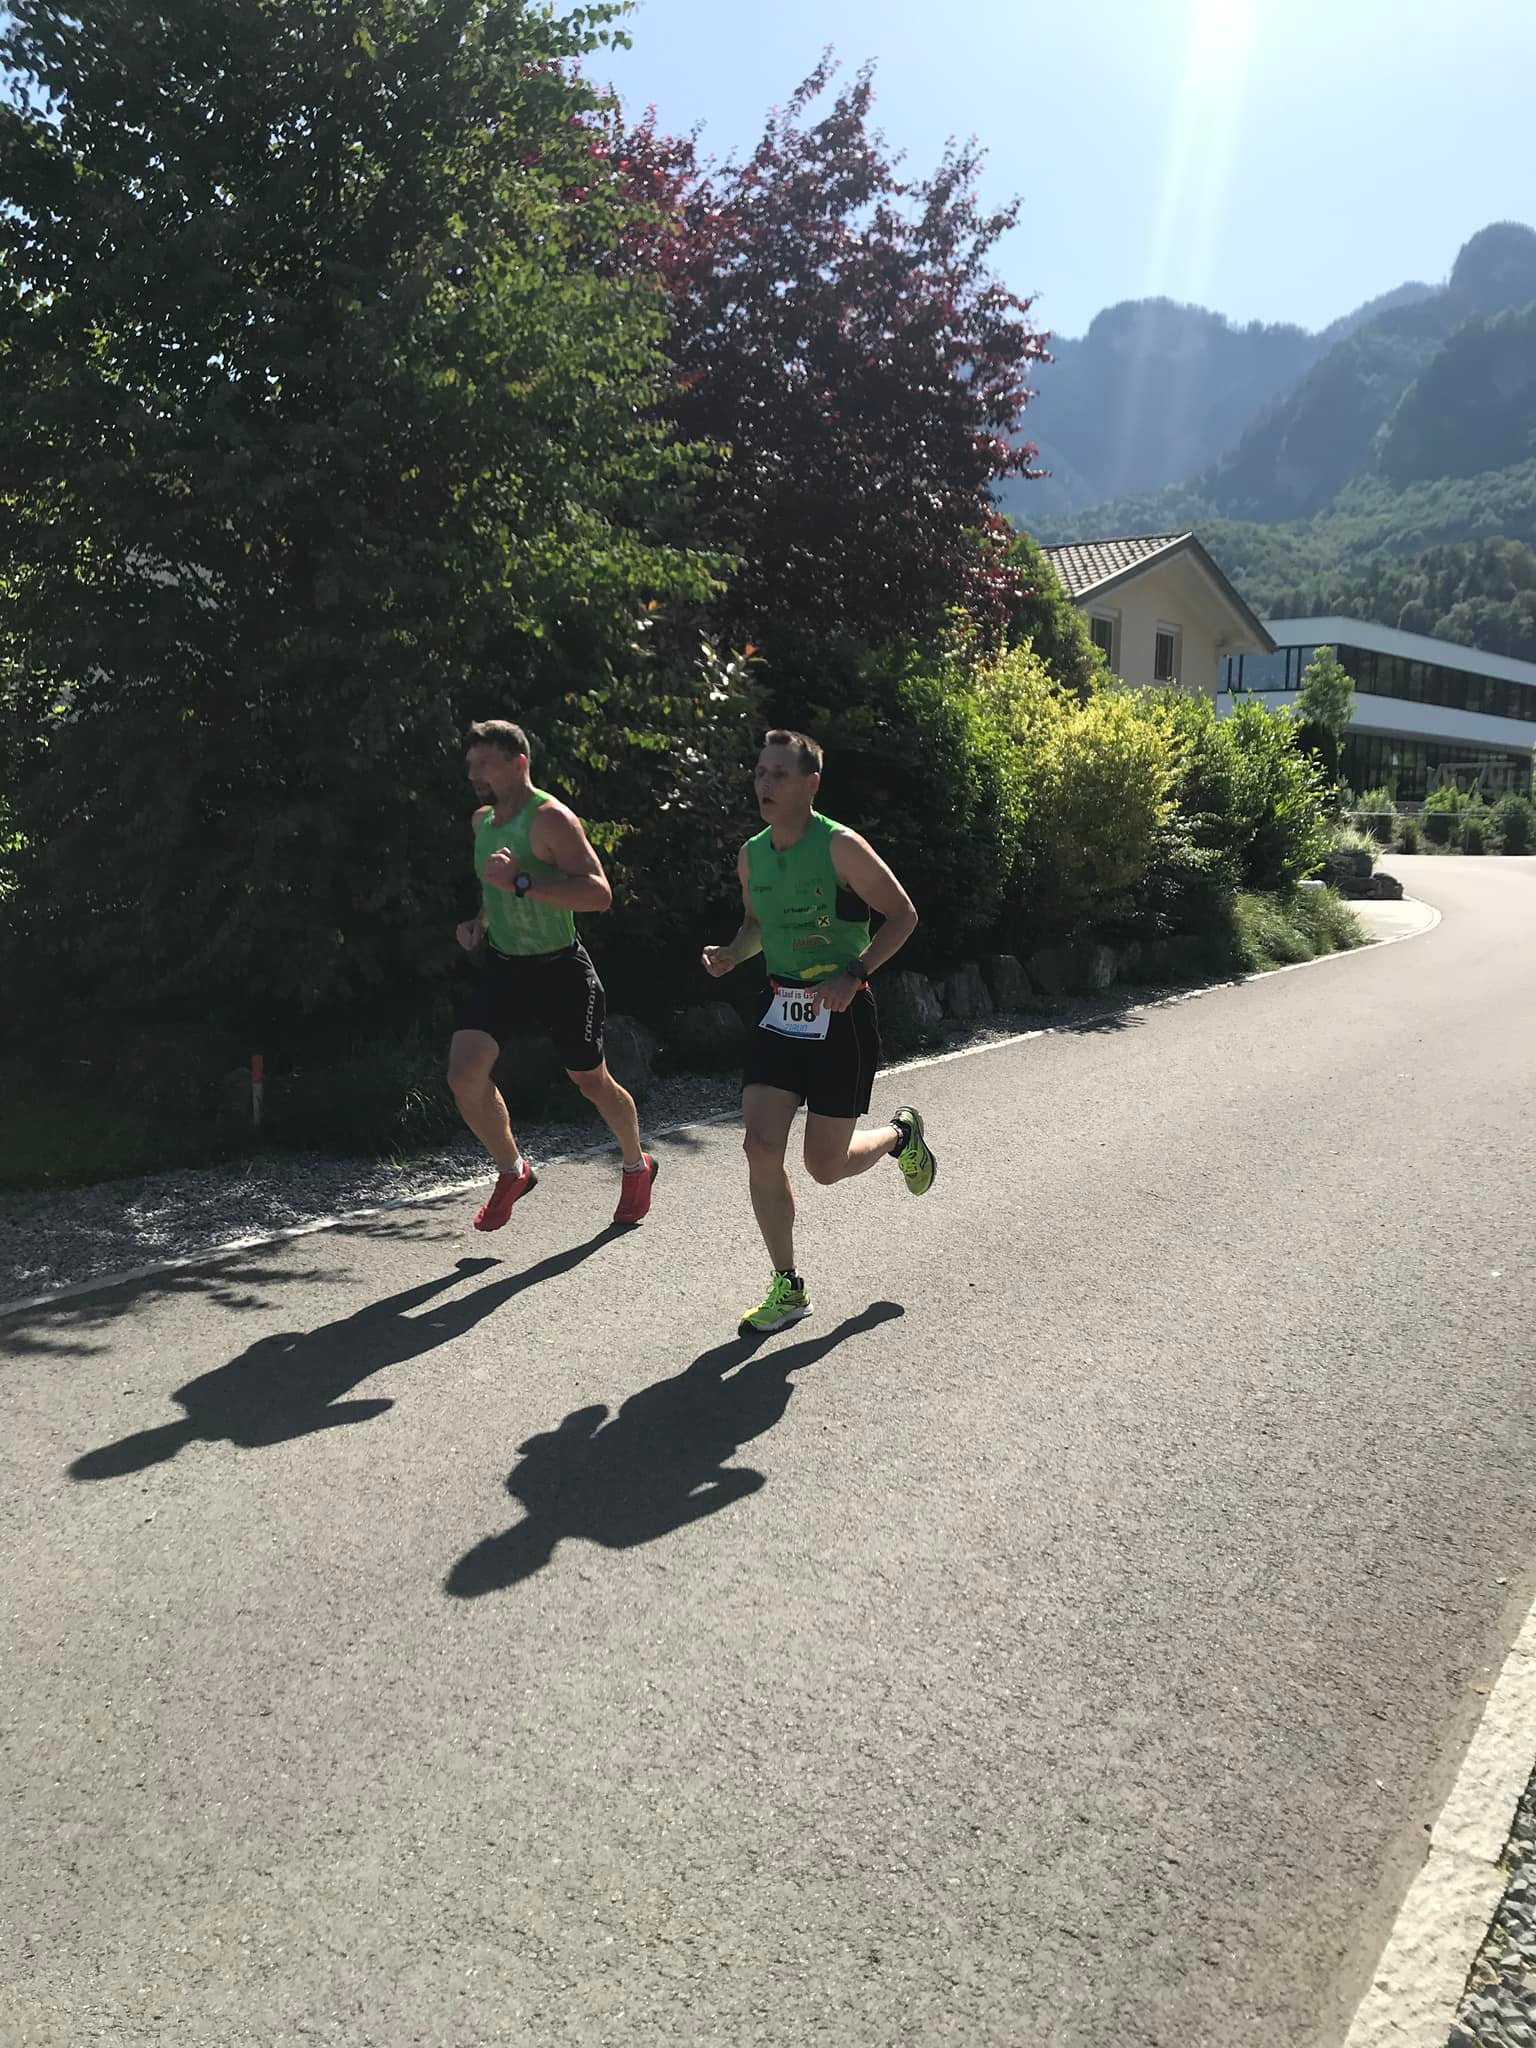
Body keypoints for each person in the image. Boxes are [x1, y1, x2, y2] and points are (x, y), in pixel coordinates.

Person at [702, 728, 937, 1333]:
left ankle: (900, 1136)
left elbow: (903, 915)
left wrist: (854, 973)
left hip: (842, 1016)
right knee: (759, 1146)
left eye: (779, 774)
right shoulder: (752, 855)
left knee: (824, 1167)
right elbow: (756, 925)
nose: (765, 783)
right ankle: (788, 1286)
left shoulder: (841, 847)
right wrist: (732, 953)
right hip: (780, 1011)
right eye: (760, 772)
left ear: (812, 784)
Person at [449, 720, 656, 1231]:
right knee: (464, 1075)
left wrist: (522, 881)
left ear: (518, 763)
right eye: (470, 764)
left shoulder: (551, 819)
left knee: (590, 1081)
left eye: (484, 764)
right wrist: (479, 923)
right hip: (504, 966)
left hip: (560, 968)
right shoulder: (481, 822)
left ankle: (637, 1165)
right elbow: (493, 888)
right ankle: (513, 1171)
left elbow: (598, 893)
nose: (473, 774)